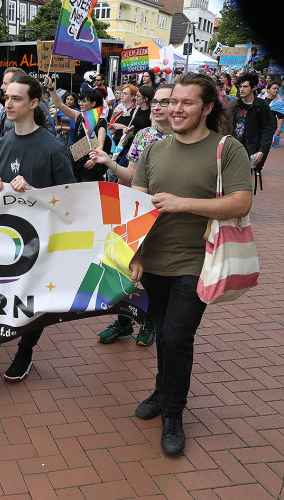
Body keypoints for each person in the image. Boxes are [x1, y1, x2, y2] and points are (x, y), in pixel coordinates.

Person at [130, 73, 252, 455]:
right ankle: (162, 389)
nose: (175, 109)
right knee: (163, 330)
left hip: (198, 261)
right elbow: (134, 205)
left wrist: (185, 203)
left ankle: (173, 413)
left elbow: (240, 202)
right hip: (153, 262)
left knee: (177, 335)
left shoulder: (226, 149)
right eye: (171, 102)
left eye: (186, 103)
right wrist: (132, 253)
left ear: (207, 107)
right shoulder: (153, 149)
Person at [0, 74, 75, 403]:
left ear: (34, 104)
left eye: (16, 98)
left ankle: (25, 350)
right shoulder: (0, 145)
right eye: (6, 96)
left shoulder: (54, 149)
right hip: (1, 242)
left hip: (41, 246)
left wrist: (34, 192)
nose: (7, 102)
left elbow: (72, 204)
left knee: (31, 305)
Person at [89, 85, 176, 347]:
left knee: (153, 276)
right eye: (156, 102)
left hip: (172, 221)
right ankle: (124, 321)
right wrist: (110, 163)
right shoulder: (143, 136)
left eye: (166, 101)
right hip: (141, 213)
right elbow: (132, 177)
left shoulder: (188, 139)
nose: (159, 107)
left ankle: (149, 322)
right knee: (126, 268)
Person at [45, 76, 109, 182]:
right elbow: (59, 105)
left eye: (84, 101)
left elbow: (100, 145)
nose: (80, 104)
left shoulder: (101, 122)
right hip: (76, 162)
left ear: (93, 104)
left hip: (91, 168)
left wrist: (94, 159)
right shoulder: (79, 116)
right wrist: (51, 88)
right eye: (80, 101)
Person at [232, 73, 274, 173]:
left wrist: (262, 151)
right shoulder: (234, 105)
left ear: (254, 87)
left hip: (252, 150)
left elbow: (268, 129)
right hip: (234, 149)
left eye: (245, 86)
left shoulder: (261, 105)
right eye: (240, 86)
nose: (242, 89)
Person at [0, 67, 57, 139]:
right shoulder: (4, 111)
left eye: (5, 83)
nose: (8, 105)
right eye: (7, 98)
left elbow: (51, 135)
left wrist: (38, 129)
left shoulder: (39, 106)